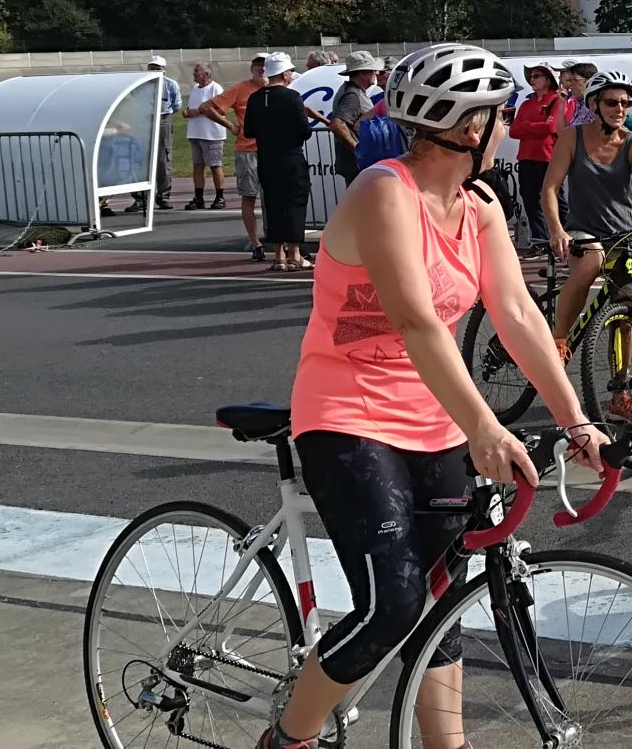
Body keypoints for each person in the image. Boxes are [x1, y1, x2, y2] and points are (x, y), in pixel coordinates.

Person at [258, 42, 608, 749]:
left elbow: (516, 314)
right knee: (393, 604)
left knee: (441, 599)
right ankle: (286, 740)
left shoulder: (477, 206)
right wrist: (484, 426)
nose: (507, 126)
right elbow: (417, 319)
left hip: (433, 417)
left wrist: (576, 418)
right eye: (499, 115)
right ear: (470, 128)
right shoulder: (384, 191)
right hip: (347, 414)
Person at [542, 69, 632, 423]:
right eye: (611, 102)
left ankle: (620, 393)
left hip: (626, 235)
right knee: (590, 263)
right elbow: (550, 189)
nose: (620, 108)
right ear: (593, 103)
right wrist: (557, 229)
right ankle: (558, 342)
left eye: (625, 102)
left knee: (626, 315)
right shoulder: (572, 139)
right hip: (583, 229)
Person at [246, 54, 314, 272]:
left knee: (273, 205)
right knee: (294, 203)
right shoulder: (292, 97)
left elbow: (249, 130)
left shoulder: (255, 98)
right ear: (285, 74)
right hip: (290, 157)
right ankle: (294, 253)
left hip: (267, 158)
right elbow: (304, 130)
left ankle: (278, 255)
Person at [200, 54, 270, 261]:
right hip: (248, 150)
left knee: (275, 198)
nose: (262, 69)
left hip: (272, 150)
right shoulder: (241, 89)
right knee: (249, 196)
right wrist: (230, 126)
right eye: (258, 65)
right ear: (252, 68)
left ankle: (281, 241)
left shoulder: (277, 88)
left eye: (265, 65)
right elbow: (207, 107)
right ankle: (256, 242)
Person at [509, 61, 567, 257]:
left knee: (555, 198)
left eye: (536, 76)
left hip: (549, 158)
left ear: (548, 79)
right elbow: (514, 130)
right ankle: (540, 241)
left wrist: (528, 126)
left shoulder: (557, 100)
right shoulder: (526, 103)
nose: (532, 80)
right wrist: (538, 125)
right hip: (526, 158)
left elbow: (551, 129)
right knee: (530, 200)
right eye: (531, 77)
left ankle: (567, 237)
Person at [130, 55, 182, 212]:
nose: (154, 71)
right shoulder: (140, 84)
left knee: (163, 159)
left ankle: (163, 196)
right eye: (151, 68)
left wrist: (164, 114)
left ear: (164, 70)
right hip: (143, 120)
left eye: (157, 68)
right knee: (140, 158)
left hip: (163, 119)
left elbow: (176, 104)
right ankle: (140, 198)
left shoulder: (170, 85)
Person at [329, 51, 381, 187]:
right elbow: (337, 125)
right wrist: (358, 149)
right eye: (372, 70)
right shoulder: (352, 95)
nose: (375, 73)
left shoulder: (351, 91)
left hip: (356, 164)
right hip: (357, 166)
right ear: (362, 73)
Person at [183, 62, 227, 210]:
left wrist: (200, 112)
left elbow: (221, 109)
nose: (194, 74)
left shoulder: (216, 88)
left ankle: (220, 196)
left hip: (211, 133)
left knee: (215, 165)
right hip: (196, 131)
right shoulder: (195, 89)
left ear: (207, 74)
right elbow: (193, 107)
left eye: (197, 72)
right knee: (197, 166)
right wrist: (188, 112)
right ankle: (199, 197)